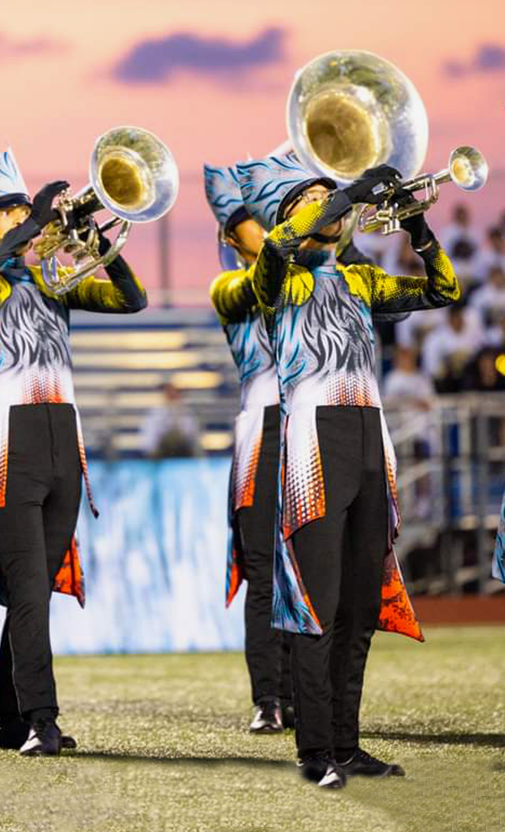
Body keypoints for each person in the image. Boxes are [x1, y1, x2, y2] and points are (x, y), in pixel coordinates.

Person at [237, 153, 460, 788]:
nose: (327, 207)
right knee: (319, 604)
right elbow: (281, 246)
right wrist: (344, 194)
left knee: (361, 605)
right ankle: (314, 751)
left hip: (370, 437)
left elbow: (444, 290)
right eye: (309, 201)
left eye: (329, 200)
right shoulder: (277, 278)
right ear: (291, 217)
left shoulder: (358, 282)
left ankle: (346, 742)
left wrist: (418, 229)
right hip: (314, 442)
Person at [0, 142, 147, 756]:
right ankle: (41, 719)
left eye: (20, 210)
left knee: (32, 595)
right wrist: (32, 226)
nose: (18, 220)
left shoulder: (52, 279)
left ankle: (7, 722)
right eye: (5, 213)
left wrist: (92, 238)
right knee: (30, 589)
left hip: (65, 442)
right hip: (10, 444)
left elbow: (132, 298)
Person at [204, 163, 292, 734]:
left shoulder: (315, 277)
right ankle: (269, 698)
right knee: (265, 574)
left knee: (315, 572)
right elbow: (267, 267)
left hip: (319, 419)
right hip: (263, 431)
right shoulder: (229, 287)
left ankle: (311, 694)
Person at [138, 381, 201, 458]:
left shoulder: (187, 413)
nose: (171, 394)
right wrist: (152, 453)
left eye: (175, 391)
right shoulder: (155, 412)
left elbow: (193, 438)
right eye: (168, 391)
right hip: (161, 455)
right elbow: (149, 438)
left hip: (183, 454)